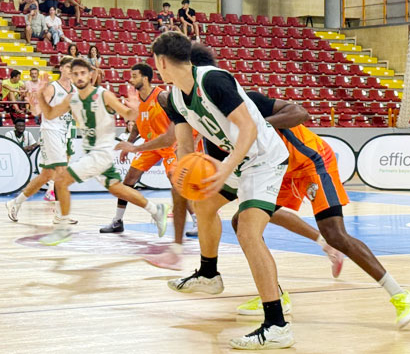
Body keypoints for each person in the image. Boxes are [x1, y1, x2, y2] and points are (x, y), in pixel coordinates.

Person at [184, 43, 410, 326]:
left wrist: (262, 127)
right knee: (242, 221)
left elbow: (299, 112)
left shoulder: (241, 100)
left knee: (335, 233)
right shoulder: (207, 125)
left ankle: (401, 295)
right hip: (277, 170)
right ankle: (276, 295)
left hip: (310, 161)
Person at [152, 31, 292, 349]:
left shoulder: (214, 80)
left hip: (263, 158)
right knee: (203, 205)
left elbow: (250, 127)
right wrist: (184, 174)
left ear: (160, 62)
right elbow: (186, 146)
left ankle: (276, 324)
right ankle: (209, 274)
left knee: (247, 232)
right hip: (235, 160)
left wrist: (226, 168)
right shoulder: (174, 98)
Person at [30, 59, 170, 246]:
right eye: (75, 74)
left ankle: (62, 229)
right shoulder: (71, 99)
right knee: (118, 189)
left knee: (61, 180)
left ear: (90, 75)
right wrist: (40, 95)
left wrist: (134, 108)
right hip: (92, 153)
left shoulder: (103, 95)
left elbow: (128, 115)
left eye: (82, 73)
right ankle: (155, 209)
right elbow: (49, 114)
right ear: (70, 76)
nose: (79, 77)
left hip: (101, 152)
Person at [99, 63, 197, 271]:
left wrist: (181, 139)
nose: (130, 79)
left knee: (176, 181)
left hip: (169, 145)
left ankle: (196, 221)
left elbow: (179, 120)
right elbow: (137, 125)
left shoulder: (161, 97)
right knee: (128, 181)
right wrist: (130, 144)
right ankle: (118, 221)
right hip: (151, 146)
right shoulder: (140, 101)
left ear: (146, 78)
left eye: (134, 76)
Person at [7, 56, 76, 224]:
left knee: (46, 176)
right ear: (60, 69)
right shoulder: (53, 88)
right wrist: (32, 103)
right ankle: (61, 215)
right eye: (67, 67)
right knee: (62, 172)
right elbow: (37, 111)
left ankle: (15, 203)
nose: (71, 70)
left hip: (64, 133)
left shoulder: (74, 89)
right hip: (50, 132)